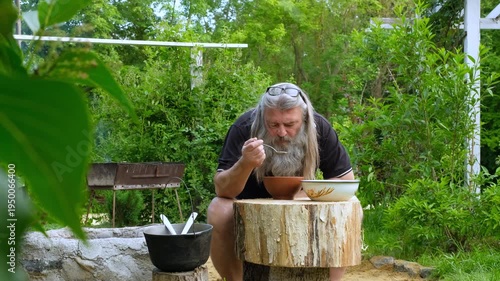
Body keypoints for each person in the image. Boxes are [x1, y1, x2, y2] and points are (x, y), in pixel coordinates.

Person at [207, 82, 355, 281]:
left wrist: (306, 194)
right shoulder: (244, 127)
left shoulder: (318, 127)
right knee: (218, 210)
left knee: (352, 206)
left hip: (302, 200)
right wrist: (245, 163)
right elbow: (222, 189)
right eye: (273, 125)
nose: (282, 133)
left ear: (303, 119)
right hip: (246, 205)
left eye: (290, 125)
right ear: (262, 117)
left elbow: (346, 181)